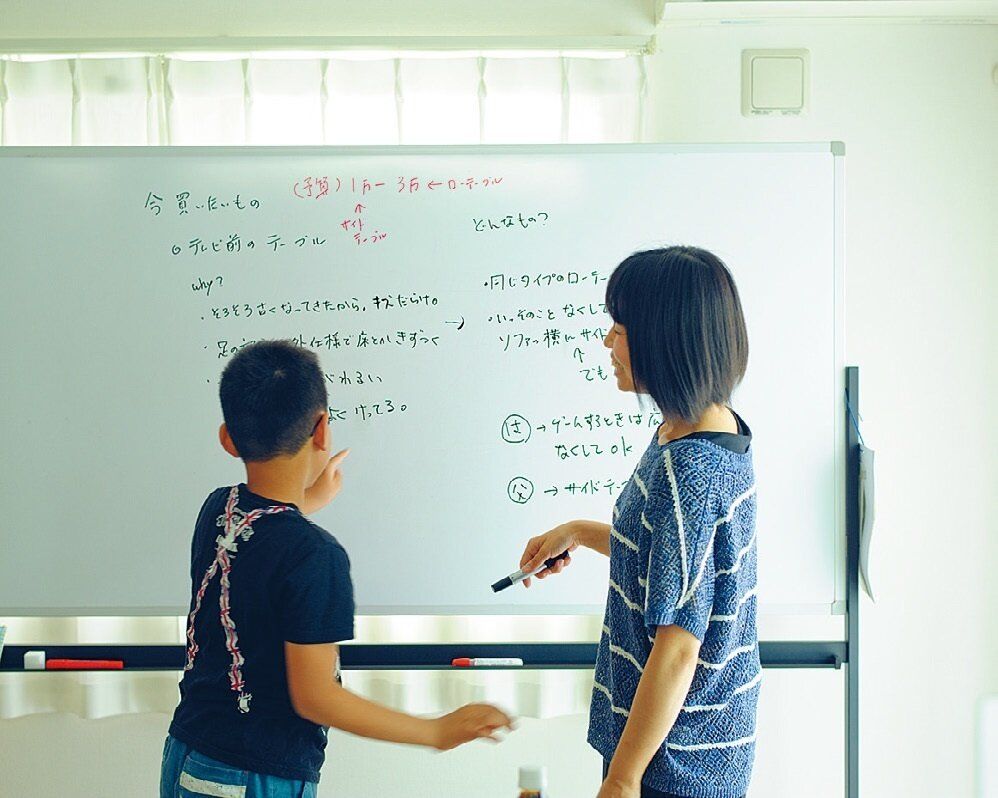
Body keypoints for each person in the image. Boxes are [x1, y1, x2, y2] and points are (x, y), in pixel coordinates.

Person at [162, 340, 512, 798]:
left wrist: (307, 501)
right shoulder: (315, 555)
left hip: (186, 752)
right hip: (252, 776)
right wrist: (436, 731)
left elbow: (260, 538)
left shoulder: (219, 508)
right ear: (322, 430)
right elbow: (315, 697)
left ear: (228, 438)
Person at [518, 247, 758, 798]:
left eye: (620, 330)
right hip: (682, 745)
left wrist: (624, 780)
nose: (608, 342)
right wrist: (579, 532)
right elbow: (679, 561)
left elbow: (678, 645)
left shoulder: (690, 469)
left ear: (664, 341)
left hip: (673, 760)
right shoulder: (707, 427)